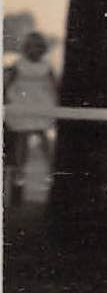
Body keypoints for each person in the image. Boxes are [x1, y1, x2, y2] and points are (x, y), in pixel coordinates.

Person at [4, 32, 58, 205]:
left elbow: (54, 85)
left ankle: (53, 174)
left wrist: (56, 106)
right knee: (21, 142)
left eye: (38, 47)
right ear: (26, 49)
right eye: (31, 47)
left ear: (43, 49)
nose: (35, 50)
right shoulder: (18, 64)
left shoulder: (47, 65)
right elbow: (7, 85)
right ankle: (19, 179)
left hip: (41, 106)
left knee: (44, 141)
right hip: (21, 105)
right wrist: (6, 100)